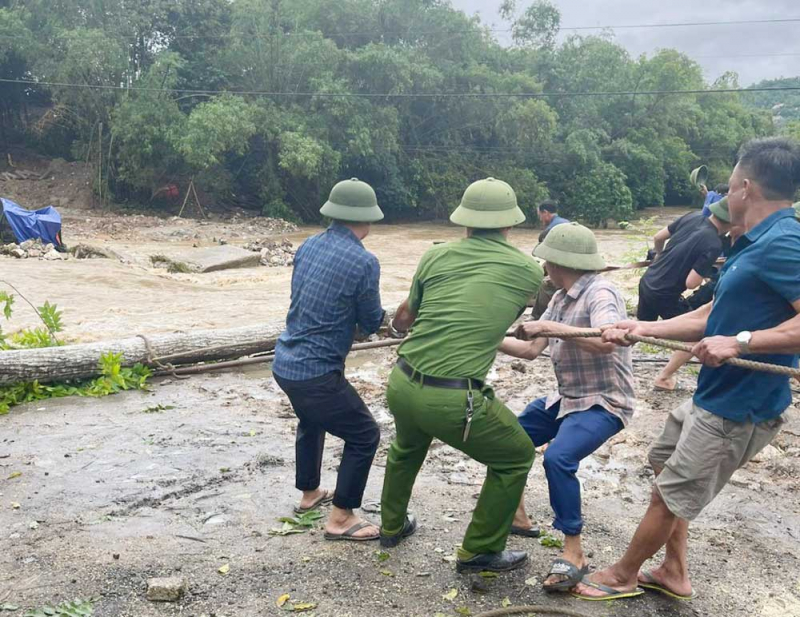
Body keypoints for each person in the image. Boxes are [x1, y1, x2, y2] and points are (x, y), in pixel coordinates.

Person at [574, 136, 800, 601]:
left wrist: (741, 342)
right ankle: (674, 571)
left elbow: (734, 331)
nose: (726, 195)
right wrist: (643, 328)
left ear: (745, 187)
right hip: (714, 394)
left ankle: (622, 575)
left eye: (731, 185)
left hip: (741, 407)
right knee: (662, 464)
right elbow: (710, 315)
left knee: (669, 495)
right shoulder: (750, 242)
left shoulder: (784, 243)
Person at [379, 177, 544, 573]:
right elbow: (499, 311)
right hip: (452, 399)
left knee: (406, 447)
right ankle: (480, 550)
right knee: (516, 455)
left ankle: (390, 526)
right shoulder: (528, 271)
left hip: (401, 382)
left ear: (464, 222)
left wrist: (400, 326)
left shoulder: (434, 256)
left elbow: (405, 317)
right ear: (510, 225)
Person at [499, 223, 635, 593]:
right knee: (506, 439)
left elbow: (606, 341)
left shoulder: (601, 292)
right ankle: (517, 513)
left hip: (604, 402)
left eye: (546, 261)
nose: (543, 268)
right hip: (567, 399)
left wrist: (548, 325)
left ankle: (573, 550)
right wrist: (490, 339)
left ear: (559, 262)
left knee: (558, 458)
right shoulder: (559, 298)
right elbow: (529, 350)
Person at [272, 178, 386, 542]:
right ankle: (341, 518)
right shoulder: (364, 261)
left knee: (311, 418)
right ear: (365, 220)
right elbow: (369, 323)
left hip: (285, 361)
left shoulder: (308, 245)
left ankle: (309, 494)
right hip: (317, 373)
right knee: (366, 434)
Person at [638, 199, 731, 390]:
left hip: (648, 281)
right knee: (696, 335)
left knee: (635, 331)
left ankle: (604, 358)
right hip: (665, 294)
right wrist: (708, 273)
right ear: (733, 222)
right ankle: (663, 378)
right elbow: (691, 282)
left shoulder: (693, 216)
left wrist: (659, 257)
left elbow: (658, 237)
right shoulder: (713, 243)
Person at [531, 201, 570, 319]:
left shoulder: (553, 230)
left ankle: (537, 317)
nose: (540, 219)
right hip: (571, 265)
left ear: (545, 213)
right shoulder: (565, 223)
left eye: (540, 216)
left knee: (545, 284)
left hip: (567, 268)